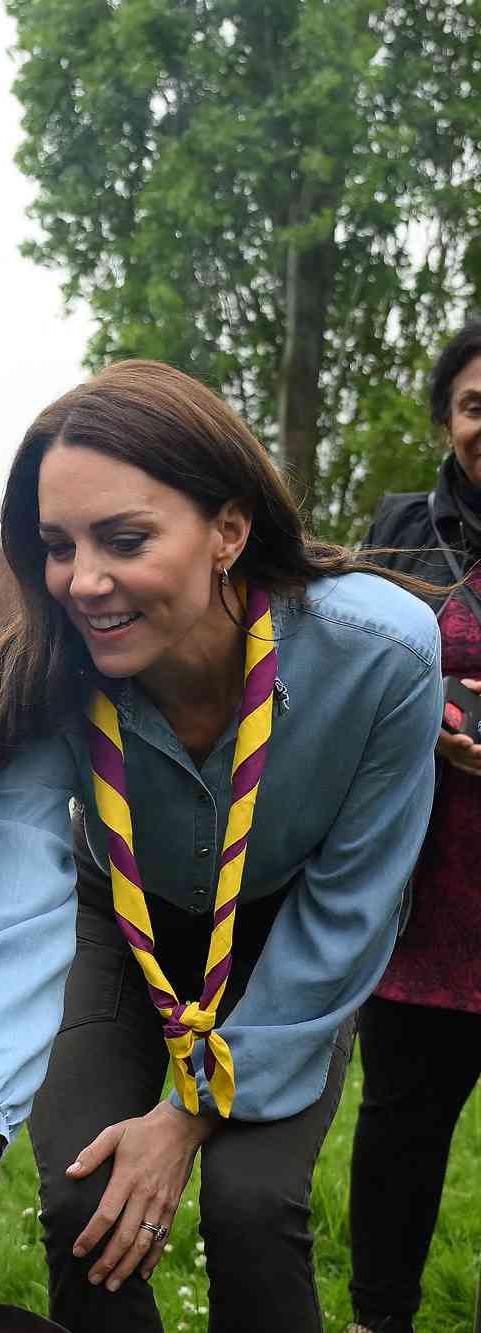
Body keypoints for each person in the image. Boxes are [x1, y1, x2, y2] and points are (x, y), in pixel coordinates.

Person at [0, 361, 442, 1331]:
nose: (80, 581)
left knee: (250, 1205)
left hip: (284, 934)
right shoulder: (44, 671)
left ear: (227, 530)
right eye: (55, 546)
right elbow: (7, 907)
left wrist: (183, 1114)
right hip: (115, 927)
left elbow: (351, 905)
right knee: (86, 1196)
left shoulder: (383, 655)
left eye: (122, 539)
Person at [344, 319, 481, 1333]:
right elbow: (346, 673)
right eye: (473, 403)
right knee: (396, 1136)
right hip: (421, 898)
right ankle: (375, 1321)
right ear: (444, 417)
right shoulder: (397, 528)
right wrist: (418, 722)